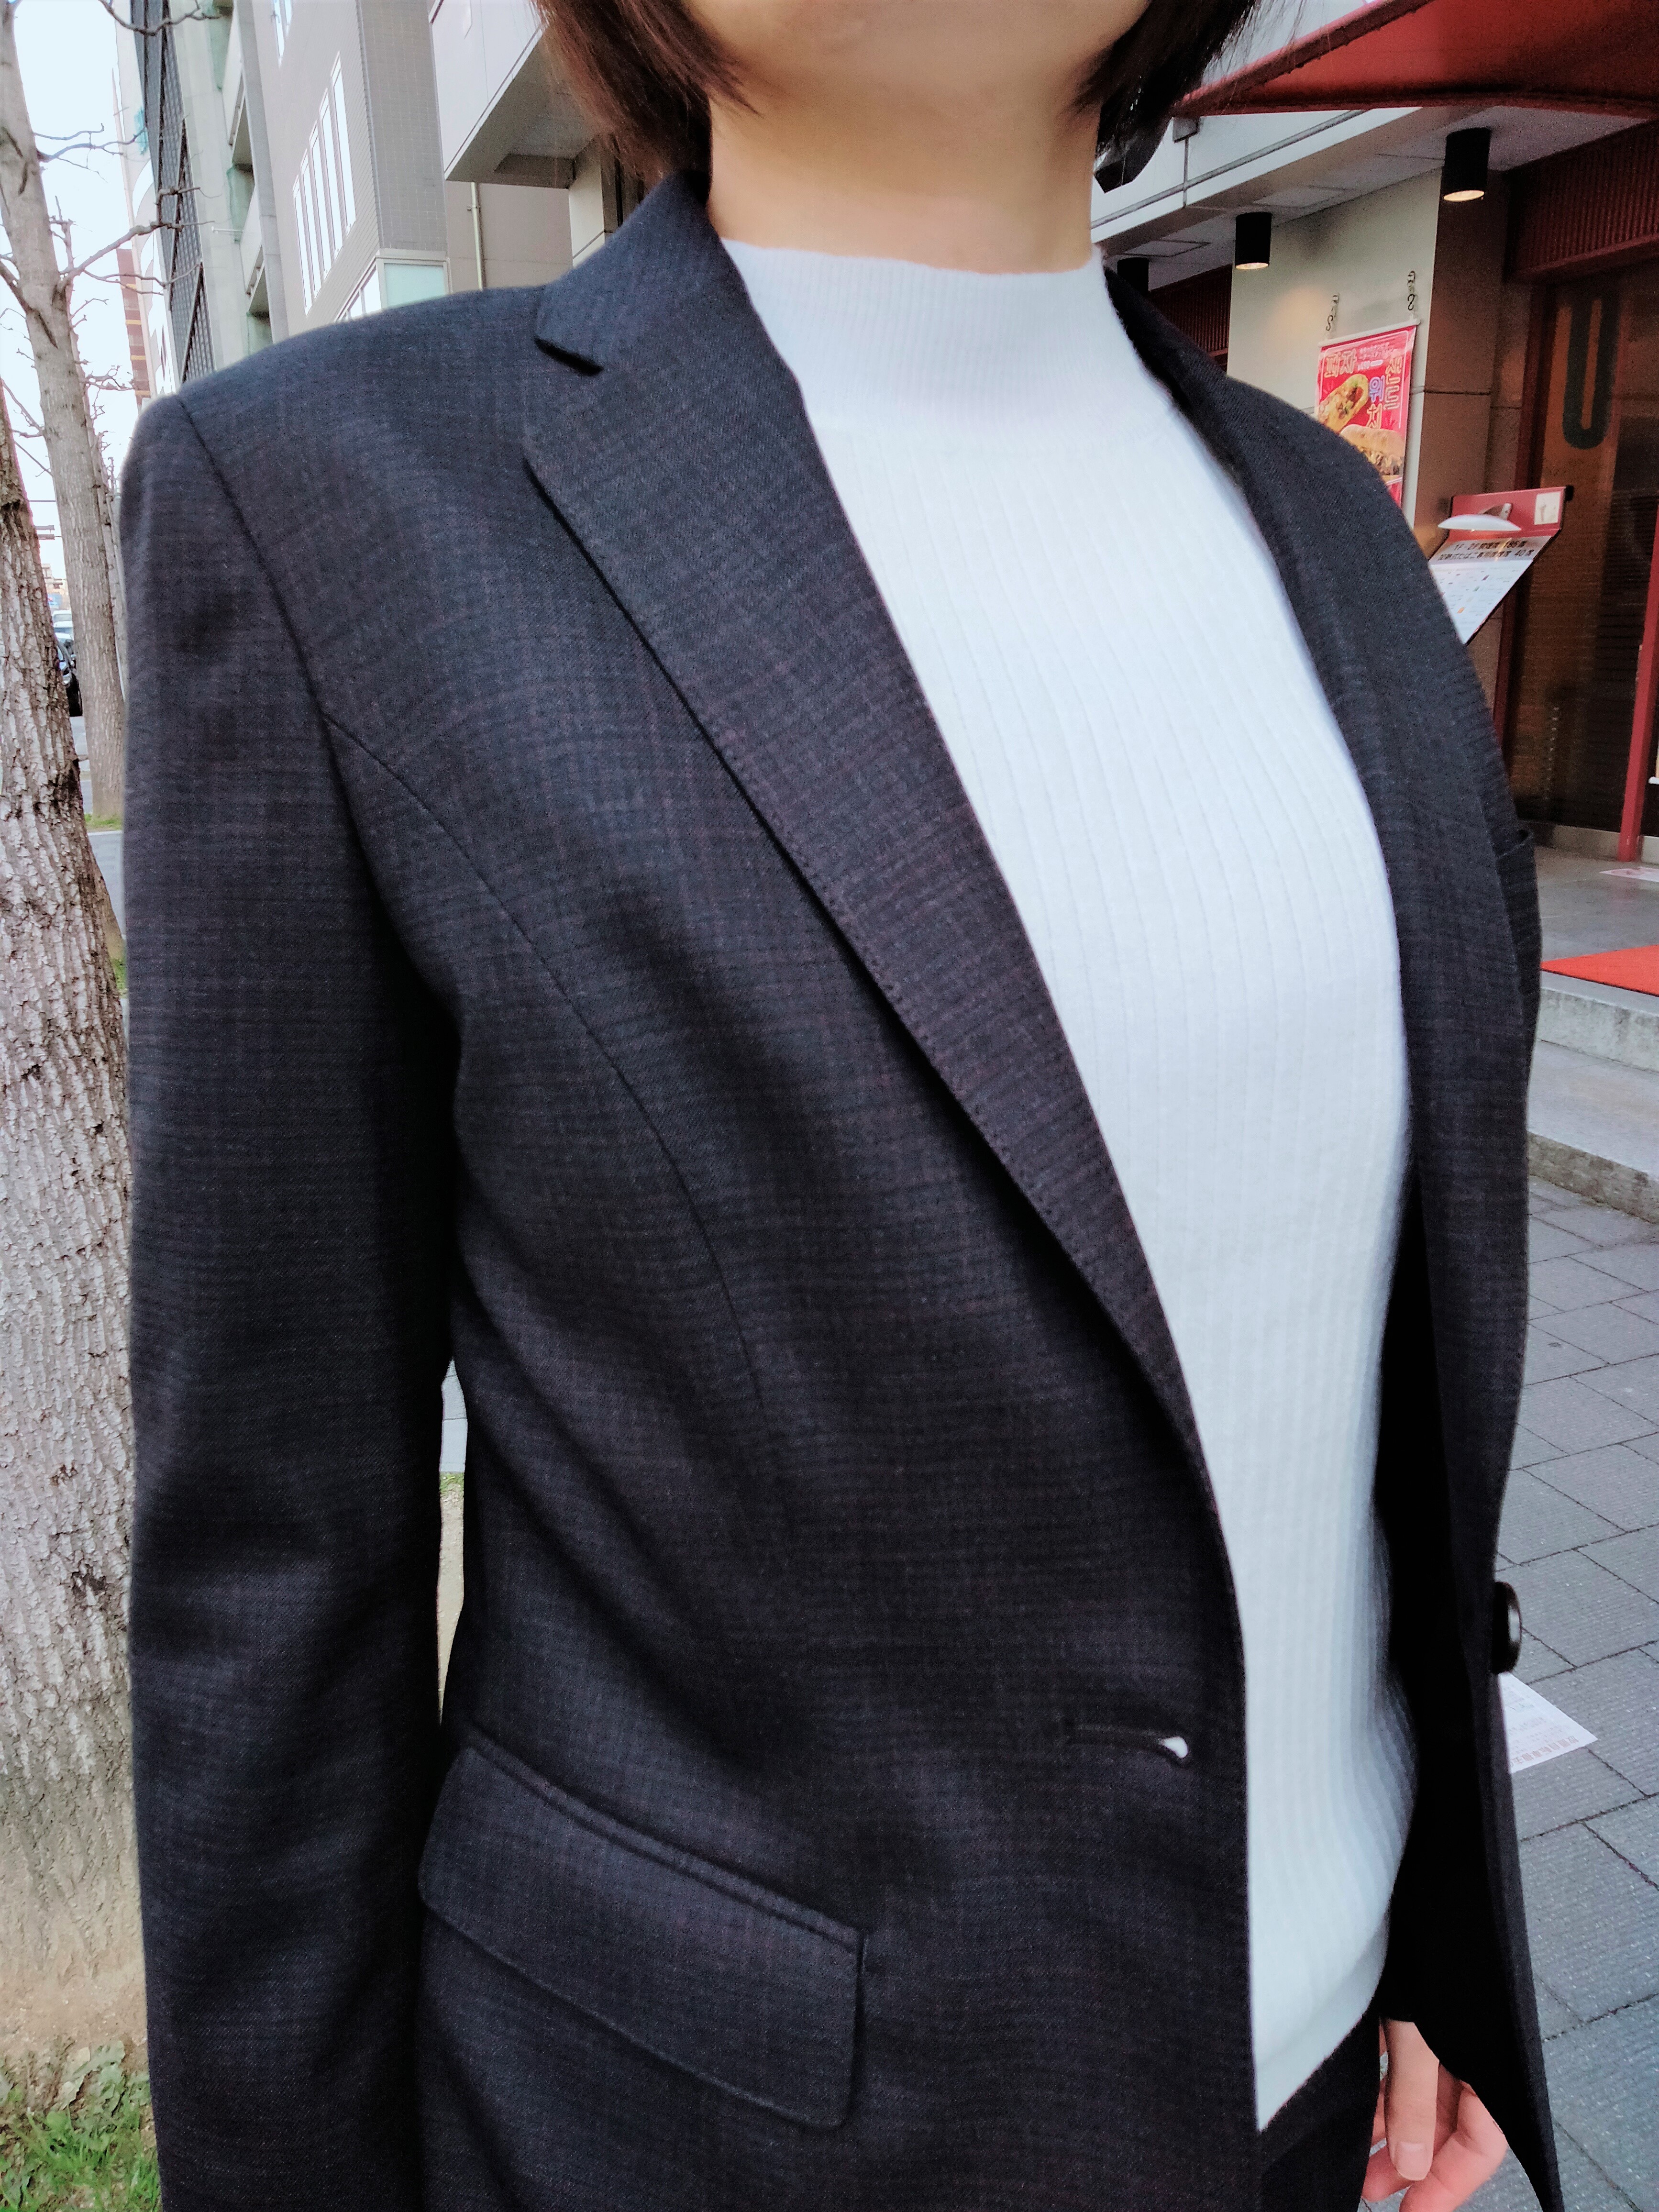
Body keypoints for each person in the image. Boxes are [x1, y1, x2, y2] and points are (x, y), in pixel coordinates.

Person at [122, 1, 1555, 2207]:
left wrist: (1411, 1907)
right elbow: (273, 1573)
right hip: (704, 2143)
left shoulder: (1334, 531)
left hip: (1306, 2105)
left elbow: (1353, 1399)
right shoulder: (337, 508)